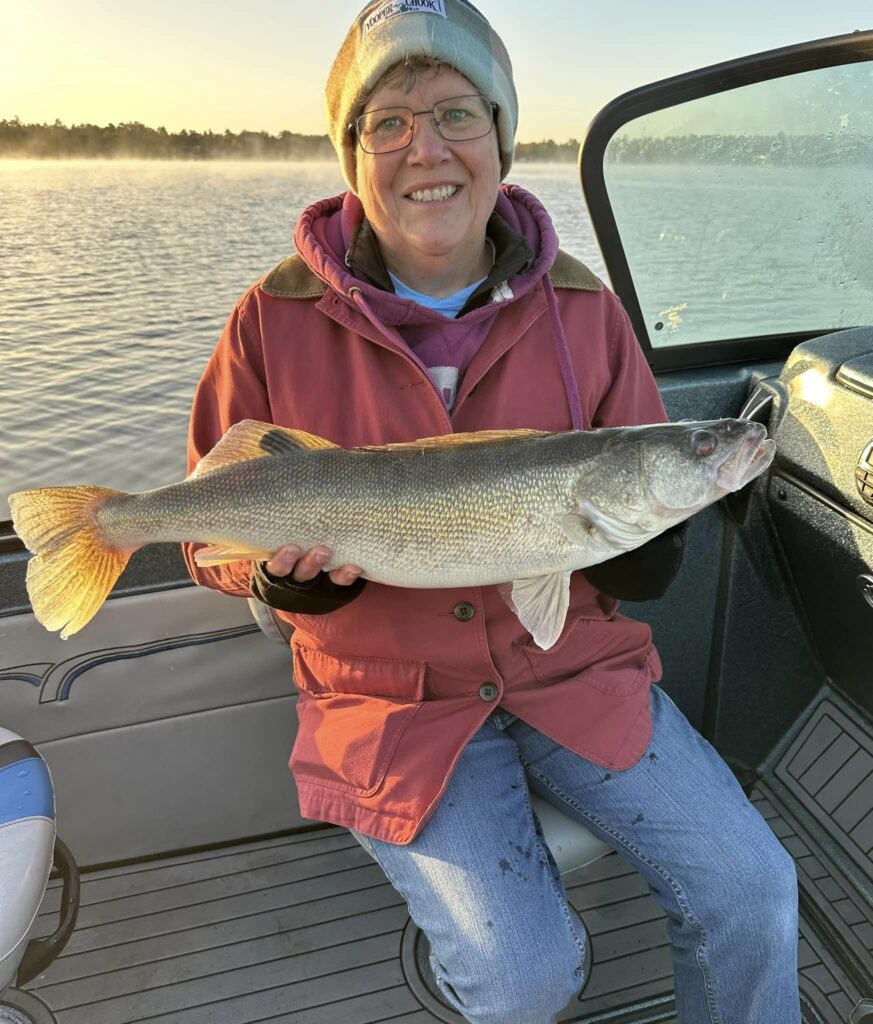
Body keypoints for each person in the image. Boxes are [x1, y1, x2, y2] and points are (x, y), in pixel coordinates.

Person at [183, 2, 801, 1021]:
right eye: (388, 121)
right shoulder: (269, 318)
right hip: (390, 702)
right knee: (524, 974)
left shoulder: (586, 307)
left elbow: (648, 473)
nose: (427, 147)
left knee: (756, 887)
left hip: (576, 674)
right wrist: (266, 576)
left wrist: (650, 546)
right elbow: (206, 527)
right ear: (353, 154)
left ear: (503, 138)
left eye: (458, 113)